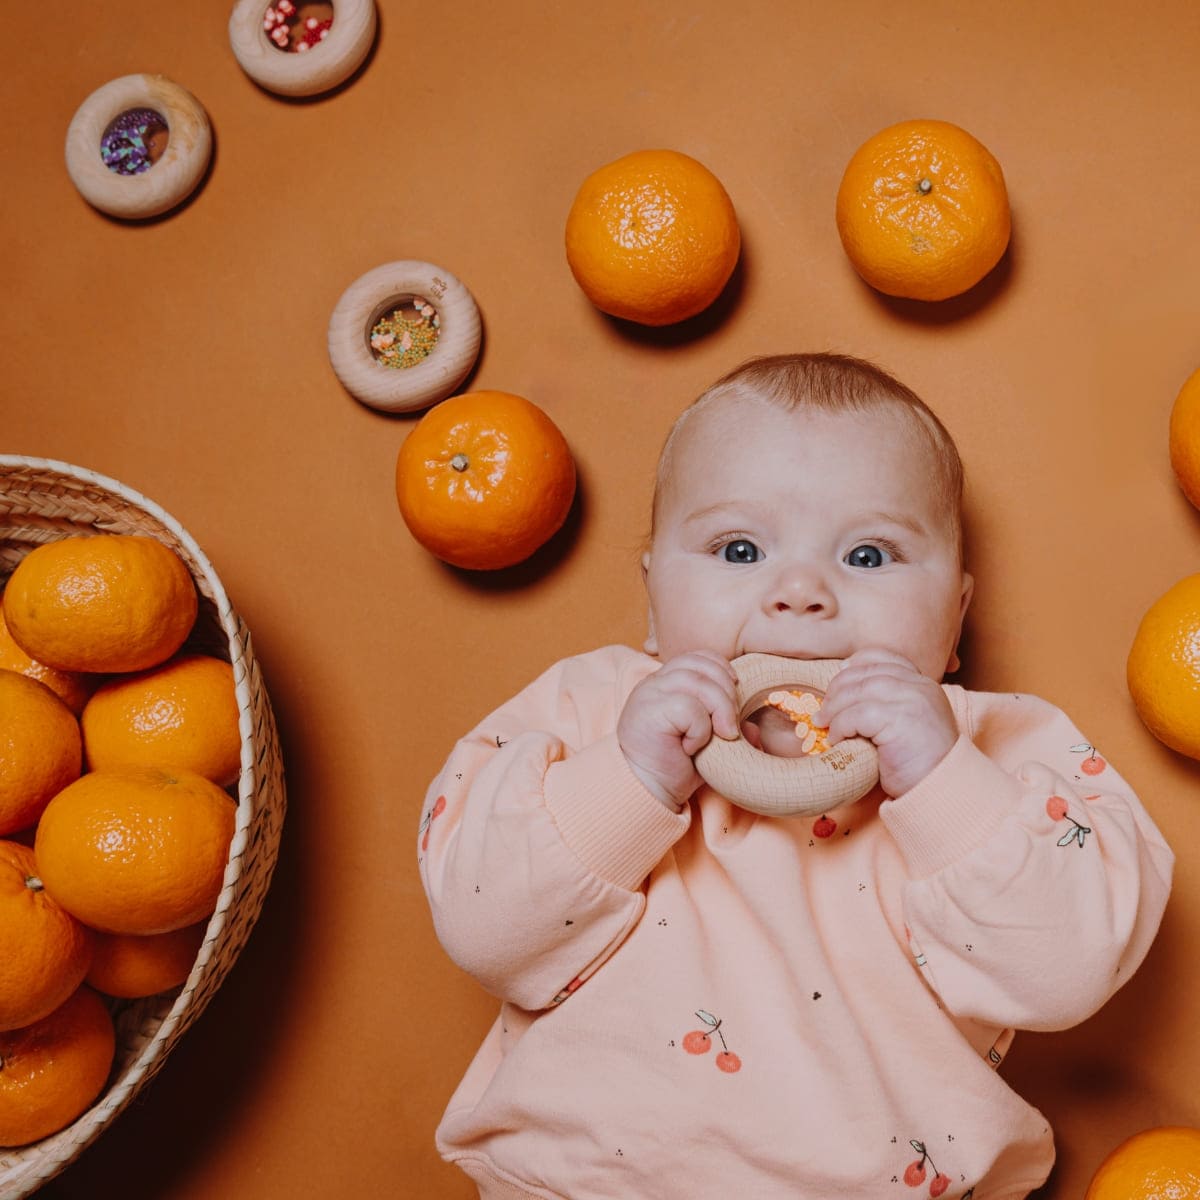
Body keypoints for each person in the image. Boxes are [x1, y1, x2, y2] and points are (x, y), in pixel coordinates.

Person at [418, 353, 1173, 1200]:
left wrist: (941, 783)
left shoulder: (998, 748)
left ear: (955, 618)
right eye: (739, 548)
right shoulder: (590, 712)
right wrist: (628, 780)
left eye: (870, 555)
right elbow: (485, 933)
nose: (802, 592)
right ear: (655, 603)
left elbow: (1063, 974)